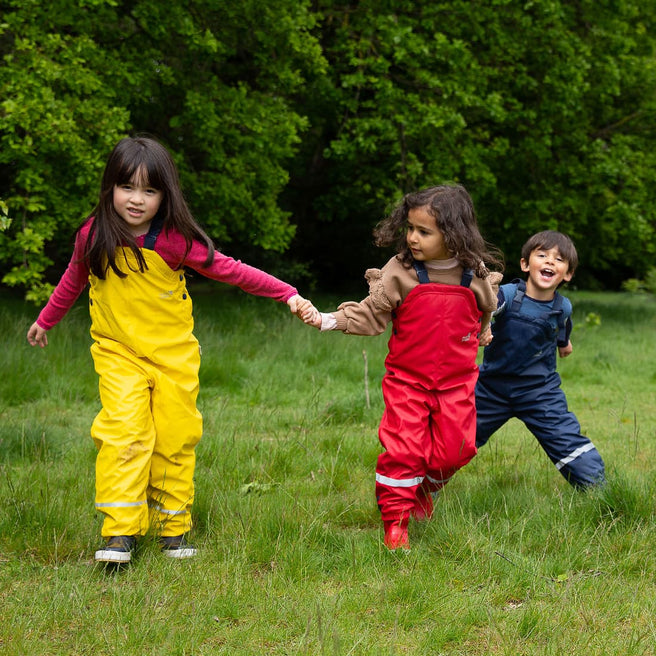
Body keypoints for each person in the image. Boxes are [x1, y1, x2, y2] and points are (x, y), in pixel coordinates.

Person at [27, 136, 311, 564]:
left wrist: (285, 293)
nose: (136, 200)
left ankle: (171, 529)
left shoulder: (174, 242)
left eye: (149, 190)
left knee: (175, 439)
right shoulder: (94, 234)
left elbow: (232, 271)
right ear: (110, 188)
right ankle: (120, 533)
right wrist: (46, 318)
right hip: (118, 353)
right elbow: (73, 278)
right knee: (124, 433)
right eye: (127, 188)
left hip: (173, 357)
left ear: (165, 195)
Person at [301, 184, 502, 550]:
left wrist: (484, 331)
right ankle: (396, 522)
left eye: (424, 231)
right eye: (409, 228)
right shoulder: (402, 271)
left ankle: (423, 488)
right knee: (405, 451)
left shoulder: (474, 273)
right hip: (408, 381)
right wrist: (328, 319)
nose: (412, 238)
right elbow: (371, 314)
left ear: (454, 234)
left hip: (457, 383)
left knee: (457, 450)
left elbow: (486, 307)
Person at [475, 230, 605, 488]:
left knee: (566, 439)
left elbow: (562, 326)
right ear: (525, 264)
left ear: (567, 274)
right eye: (542, 255)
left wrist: (564, 344)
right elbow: (491, 305)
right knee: (457, 439)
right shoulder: (509, 295)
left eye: (558, 259)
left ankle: (598, 490)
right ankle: (420, 489)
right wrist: (484, 323)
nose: (549, 262)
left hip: (539, 390)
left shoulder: (562, 306)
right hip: (491, 388)